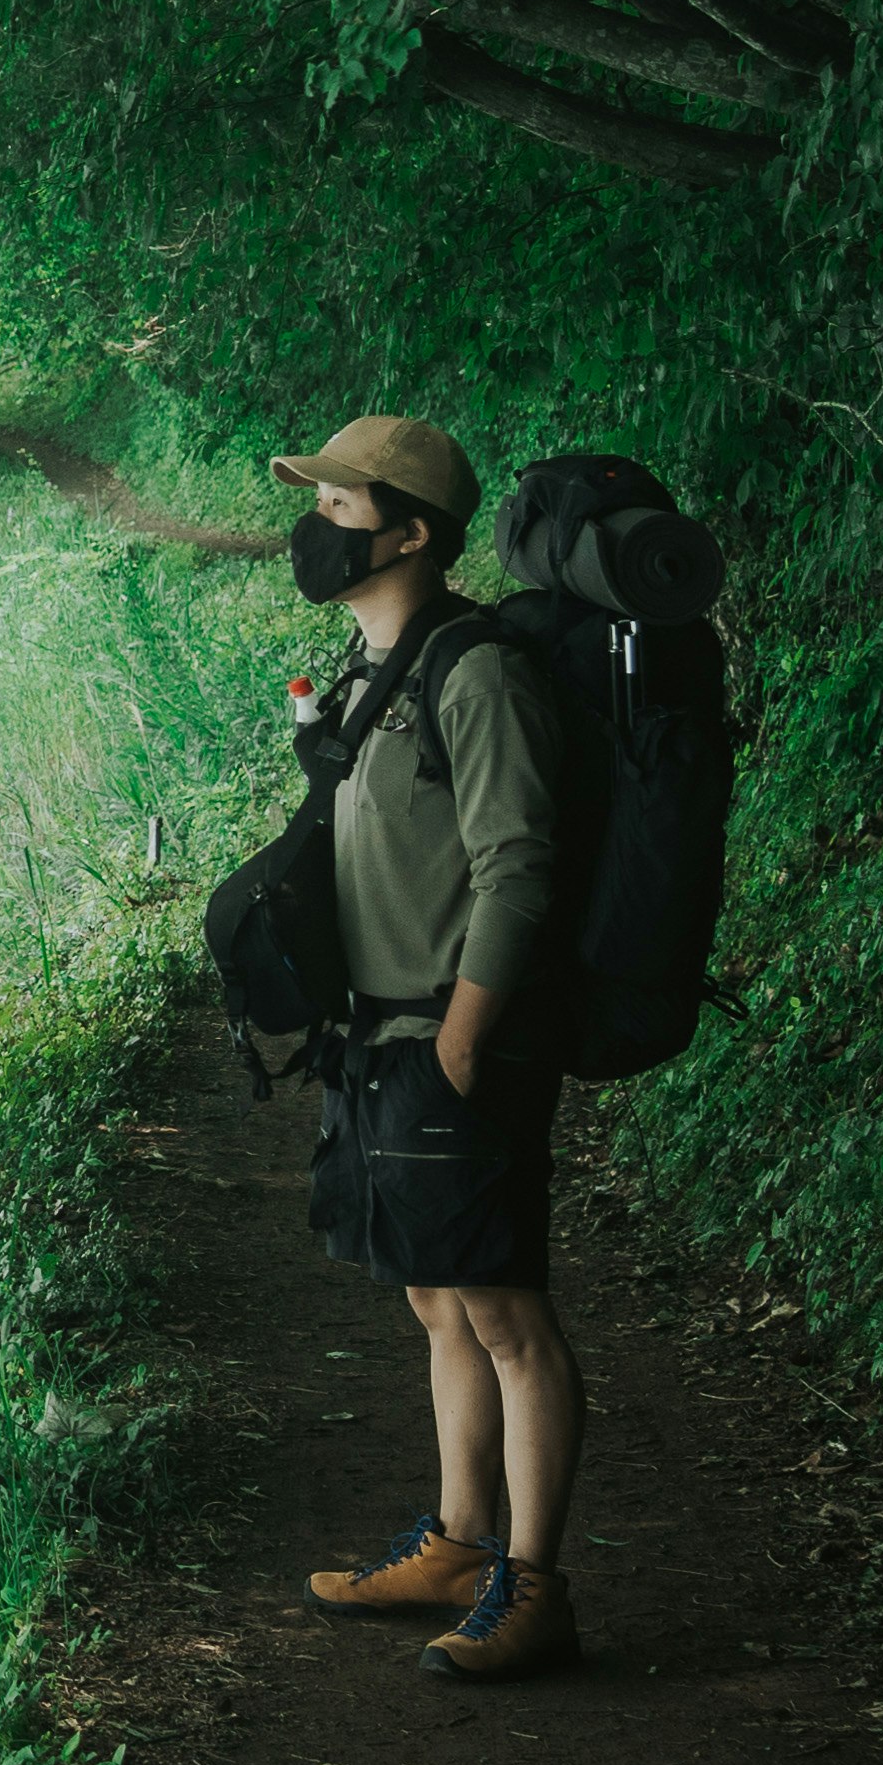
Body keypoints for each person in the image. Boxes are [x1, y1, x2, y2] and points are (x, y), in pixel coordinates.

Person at [263, 414, 587, 1683]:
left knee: (508, 1314)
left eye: (341, 507)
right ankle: (459, 1544)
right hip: (376, 1039)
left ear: (410, 533)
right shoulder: (368, 668)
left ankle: (538, 1584)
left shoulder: (477, 673)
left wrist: (463, 1036)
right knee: (436, 1295)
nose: (317, 525)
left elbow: (519, 866)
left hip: (457, 1042)